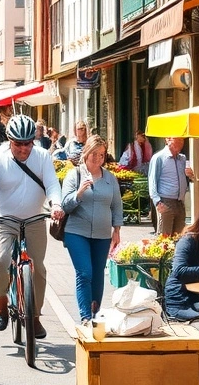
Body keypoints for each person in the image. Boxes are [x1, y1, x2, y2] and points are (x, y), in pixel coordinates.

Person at [0, 113, 64, 339]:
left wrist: (56, 204)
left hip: (35, 219)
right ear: (9, 140)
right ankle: (1, 302)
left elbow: (52, 184)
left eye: (28, 143)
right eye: (18, 144)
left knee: (38, 267)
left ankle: (35, 317)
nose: (24, 148)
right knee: (0, 262)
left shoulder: (42, 157)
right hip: (4, 220)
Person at [60, 136, 123, 325]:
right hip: (76, 233)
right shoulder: (75, 175)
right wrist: (79, 193)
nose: (97, 158)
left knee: (97, 275)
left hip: (102, 235)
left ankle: (95, 313)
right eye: (94, 154)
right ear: (86, 153)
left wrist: (117, 230)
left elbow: (117, 206)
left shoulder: (109, 178)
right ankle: (85, 316)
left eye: (101, 155)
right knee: (85, 273)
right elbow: (65, 205)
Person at [150, 136, 194, 236]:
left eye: (182, 140)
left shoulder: (182, 159)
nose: (180, 142)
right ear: (167, 139)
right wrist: (157, 202)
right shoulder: (159, 158)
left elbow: (188, 179)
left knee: (179, 236)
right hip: (166, 201)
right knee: (164, 239)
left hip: (179, 202)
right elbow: (152, 181)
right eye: (177, 139)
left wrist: (190, 176)